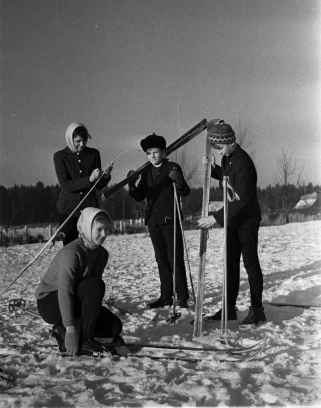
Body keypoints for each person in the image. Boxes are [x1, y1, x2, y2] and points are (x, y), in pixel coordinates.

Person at [197, 120, 266, 325]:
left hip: (246, 221)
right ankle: (229, 309)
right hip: (233, 220)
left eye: (220, 147)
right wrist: (212, 169)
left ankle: (257, 309)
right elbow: (227, 177)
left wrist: (215, 218)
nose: (218, 152)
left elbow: (243, 200)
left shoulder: (244, 163)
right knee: (230, 265)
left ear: (230, 141)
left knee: (250, 265)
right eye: (215, 148)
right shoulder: (229, 157)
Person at [35, 207, 124, 356]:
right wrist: (71, 330)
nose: (104, 235)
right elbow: (65, 292)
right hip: (51, 302)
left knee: (115, 327)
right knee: (96, 285)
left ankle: (61, 331)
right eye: (99, 229)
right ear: (86, 228)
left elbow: (91, 296)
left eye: (107, 230)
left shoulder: (102, 254)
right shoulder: (71, 253)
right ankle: (84, 340)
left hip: (75, 297)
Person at [128, 133, 190, 309]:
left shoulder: (172, 166)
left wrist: (178, 182)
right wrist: (132, 185)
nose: (153, 156)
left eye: (156, 152)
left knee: (174, 258)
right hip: (153, 221)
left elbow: (185, 191)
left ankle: (183, 297)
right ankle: (166, 296)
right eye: (149, 153)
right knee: (161, 259)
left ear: (163, 151)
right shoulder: (146, 171)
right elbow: (139, 196)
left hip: (170, 218)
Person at [54, 122, 113, 245]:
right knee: (71, 248)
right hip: (68, 211)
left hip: (90, 210)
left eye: (85, 140)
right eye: (78, 141)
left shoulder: (93, 153)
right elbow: (66, 185)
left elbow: (99, 186)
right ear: (70, 139)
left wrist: (105, 176)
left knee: (90, 247)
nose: (82, 144)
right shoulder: (60, 156)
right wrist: (89, 179)